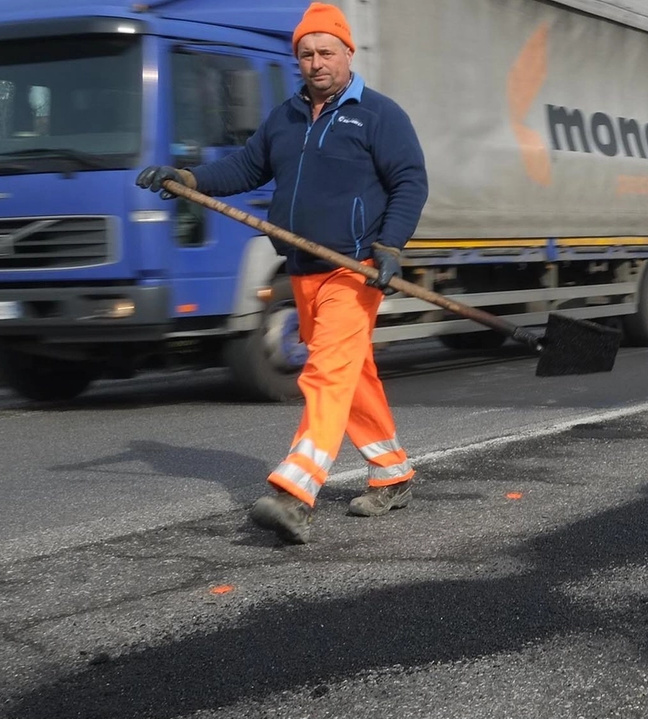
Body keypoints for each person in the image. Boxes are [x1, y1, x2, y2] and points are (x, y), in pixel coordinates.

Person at [135, 2, 430, 544]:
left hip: (353, 269)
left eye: (326, 51)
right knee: (352, 376)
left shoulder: (379, 115)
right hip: (303, 270)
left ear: (347, 54)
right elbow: (245, 169)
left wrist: (390, 245)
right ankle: (392, 473)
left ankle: (295, 492)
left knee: (324, 374)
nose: (316, 62)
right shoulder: (285, 118)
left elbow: (410, 181)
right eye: (306, 53)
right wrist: (186, 177)